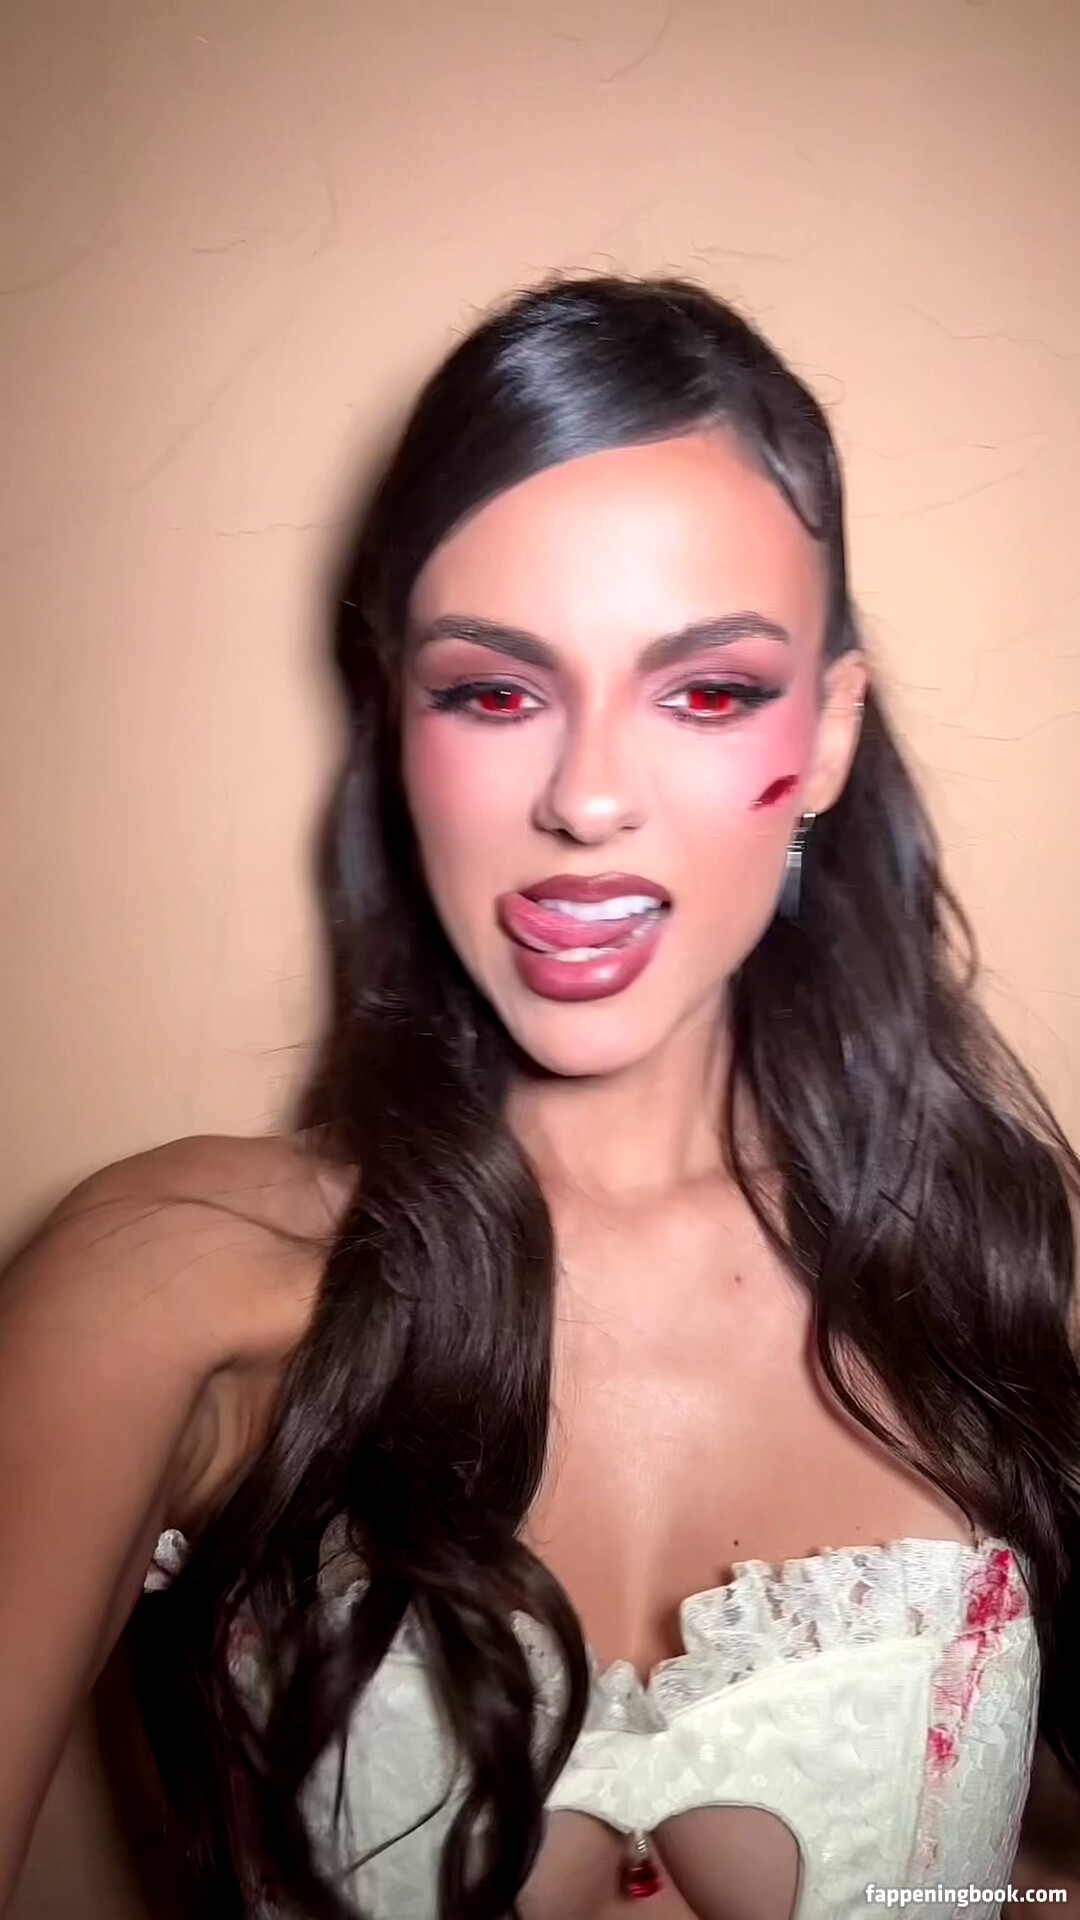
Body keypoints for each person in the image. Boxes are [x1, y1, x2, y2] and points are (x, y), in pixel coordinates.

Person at [2, 274, 1078, 1920]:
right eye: (494, 692)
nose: (585, 797)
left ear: (828, 734)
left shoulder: (1013, 1268)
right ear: (398, 721)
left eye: (706, 691)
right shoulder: (168, 1282)